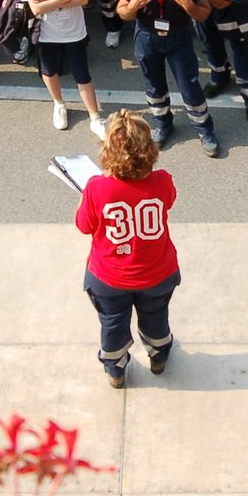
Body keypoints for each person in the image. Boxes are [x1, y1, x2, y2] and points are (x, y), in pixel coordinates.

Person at [73, 110, 181, 387]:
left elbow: (84, 225)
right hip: (157, 273)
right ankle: (158, 355)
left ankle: (116, 369)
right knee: (156, 317)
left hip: (109, 277)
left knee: (113, 324)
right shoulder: (163, 181)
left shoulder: (96, 188)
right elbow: (168, 202)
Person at [116, 0, 218, 156]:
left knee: (189, 87)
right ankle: (163, 125)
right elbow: (122, 11)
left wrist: (188, 5)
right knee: (154, 86)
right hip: (147, 37)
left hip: (178, 38)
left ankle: (204, 129)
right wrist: (132, 6)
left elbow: (204, 14)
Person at [20, 0, 107, 136]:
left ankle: (95, 117)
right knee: (49, 70)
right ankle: (59, 104)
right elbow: (36, 9)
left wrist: (50, 0)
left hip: (74, 29)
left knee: (82, 73)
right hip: (46, 31)